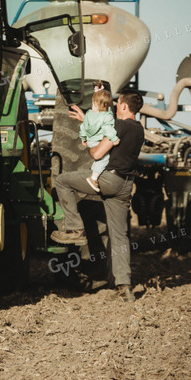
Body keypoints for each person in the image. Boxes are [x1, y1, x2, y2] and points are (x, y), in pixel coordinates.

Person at [51, 90, 146, 302]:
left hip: (108, 180)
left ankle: (75, 227)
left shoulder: (119, 126)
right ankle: (125, 286)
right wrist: (87, 120)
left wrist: (91, 143)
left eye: (117, 103)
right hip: (125, 185)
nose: (114, 106)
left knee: (62, 182)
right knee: (119, 236)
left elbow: (98, 154)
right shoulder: (139, 129)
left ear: (123, 106)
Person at [79, 81, 119, 193]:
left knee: (99, 160)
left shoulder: (88, 114)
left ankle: (94, 170)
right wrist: (115, 139)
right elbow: (108, 129)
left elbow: (83, 127)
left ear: (94, 102)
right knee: (104, 159)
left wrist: (83, 138)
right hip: (98, 142)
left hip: (90, 141)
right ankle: (94, 178)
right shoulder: (107, 117)